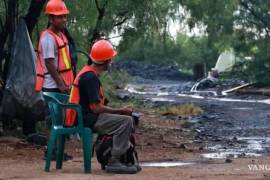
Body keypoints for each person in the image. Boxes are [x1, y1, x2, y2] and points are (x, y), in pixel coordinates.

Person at [65, 39, 140, 174]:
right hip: (87, 119)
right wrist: (121, 111)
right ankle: (114, 160)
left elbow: (98, 106)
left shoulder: (88, 73)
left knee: (124, 118)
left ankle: (122, 157)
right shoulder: (90, 78)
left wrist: (118, 112)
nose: (110, 62)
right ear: (105, 62)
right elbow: (96, 108)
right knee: (126, 121)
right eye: (110, 60)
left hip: (86, 116)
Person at [35, 0, 74, 160]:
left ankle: (57, 152)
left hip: (61, 85)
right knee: (53, 120)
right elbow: (50, 64)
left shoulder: (60, 35)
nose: (63, 19)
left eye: (64, 16)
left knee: (59, 120)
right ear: (51, 18)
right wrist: (61, 84)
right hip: (53, 86)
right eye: (59, 17)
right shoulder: (48, 38)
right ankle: (50, 152)